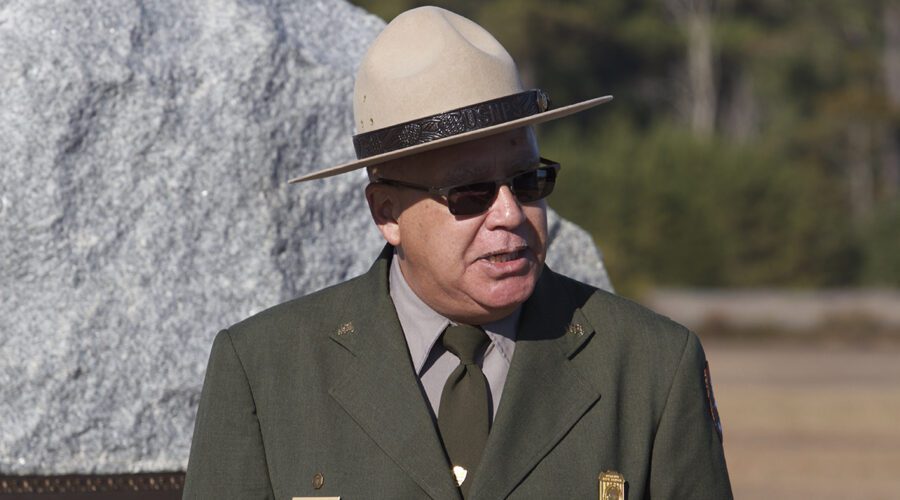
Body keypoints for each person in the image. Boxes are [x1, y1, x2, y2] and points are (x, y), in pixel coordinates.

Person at [183, 6, 732, 500]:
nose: (511, 214)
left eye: (528, 181)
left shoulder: (650, 365)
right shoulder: (265, 368)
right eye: (470, 194)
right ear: (387, 215)